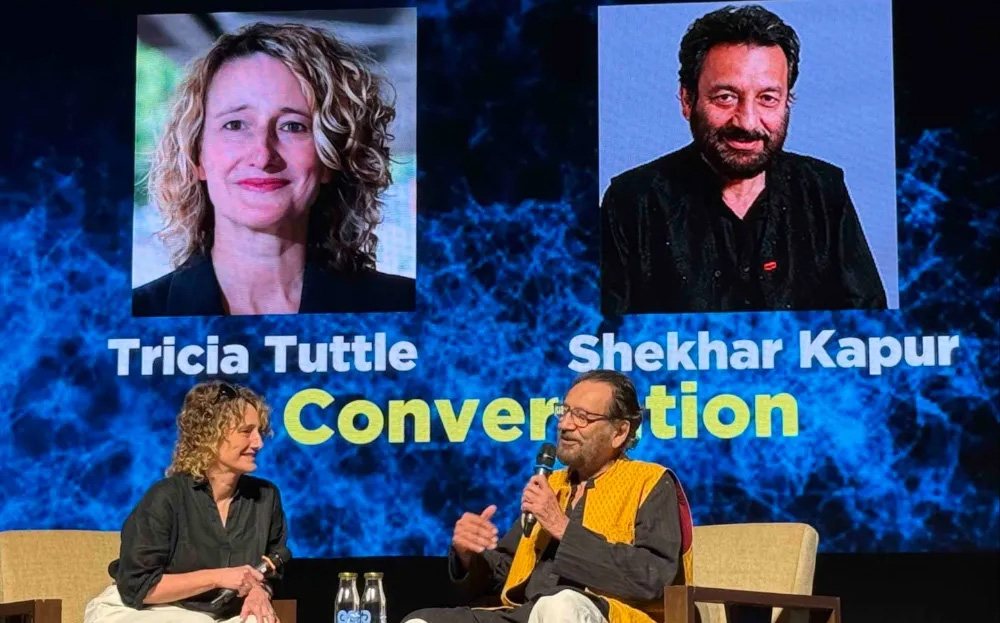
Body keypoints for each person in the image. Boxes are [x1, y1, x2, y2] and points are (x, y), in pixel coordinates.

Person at [600, 4, 888, 315]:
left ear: (787, 101)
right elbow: (600, 343)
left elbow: (870, 329)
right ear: (687, 100)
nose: (747, 122)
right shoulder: (631, 201)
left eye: (768, 98)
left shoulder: (824, 189)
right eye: (726, 97)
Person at [133, 22, 414, 317]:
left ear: (331, 158)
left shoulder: (405, 306)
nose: (263, 155)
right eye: (235, 124)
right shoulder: (126, 321)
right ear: (198, 157)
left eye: (293, 126)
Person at [402, 370, 694, 623]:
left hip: (609, 615)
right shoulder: (551, 484)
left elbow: (653, 577)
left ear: (619, 432)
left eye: (582, 417)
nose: (565, 424)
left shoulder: (650, 482)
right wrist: (468, 557)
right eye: (564, 411)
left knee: (559, 605)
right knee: (420, 619)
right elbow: (506, 572)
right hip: (525, 614)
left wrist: (562, 527)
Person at [84, 381, 290, 623]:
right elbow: (138, 587)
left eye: (259, 431)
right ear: (211, 435)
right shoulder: (166, 497)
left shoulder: (265, 497)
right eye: (246, 431)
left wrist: (258, 591)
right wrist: (218, 577)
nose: (258, 443)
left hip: (213, 614)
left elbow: (270, 569)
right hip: (138, 609)